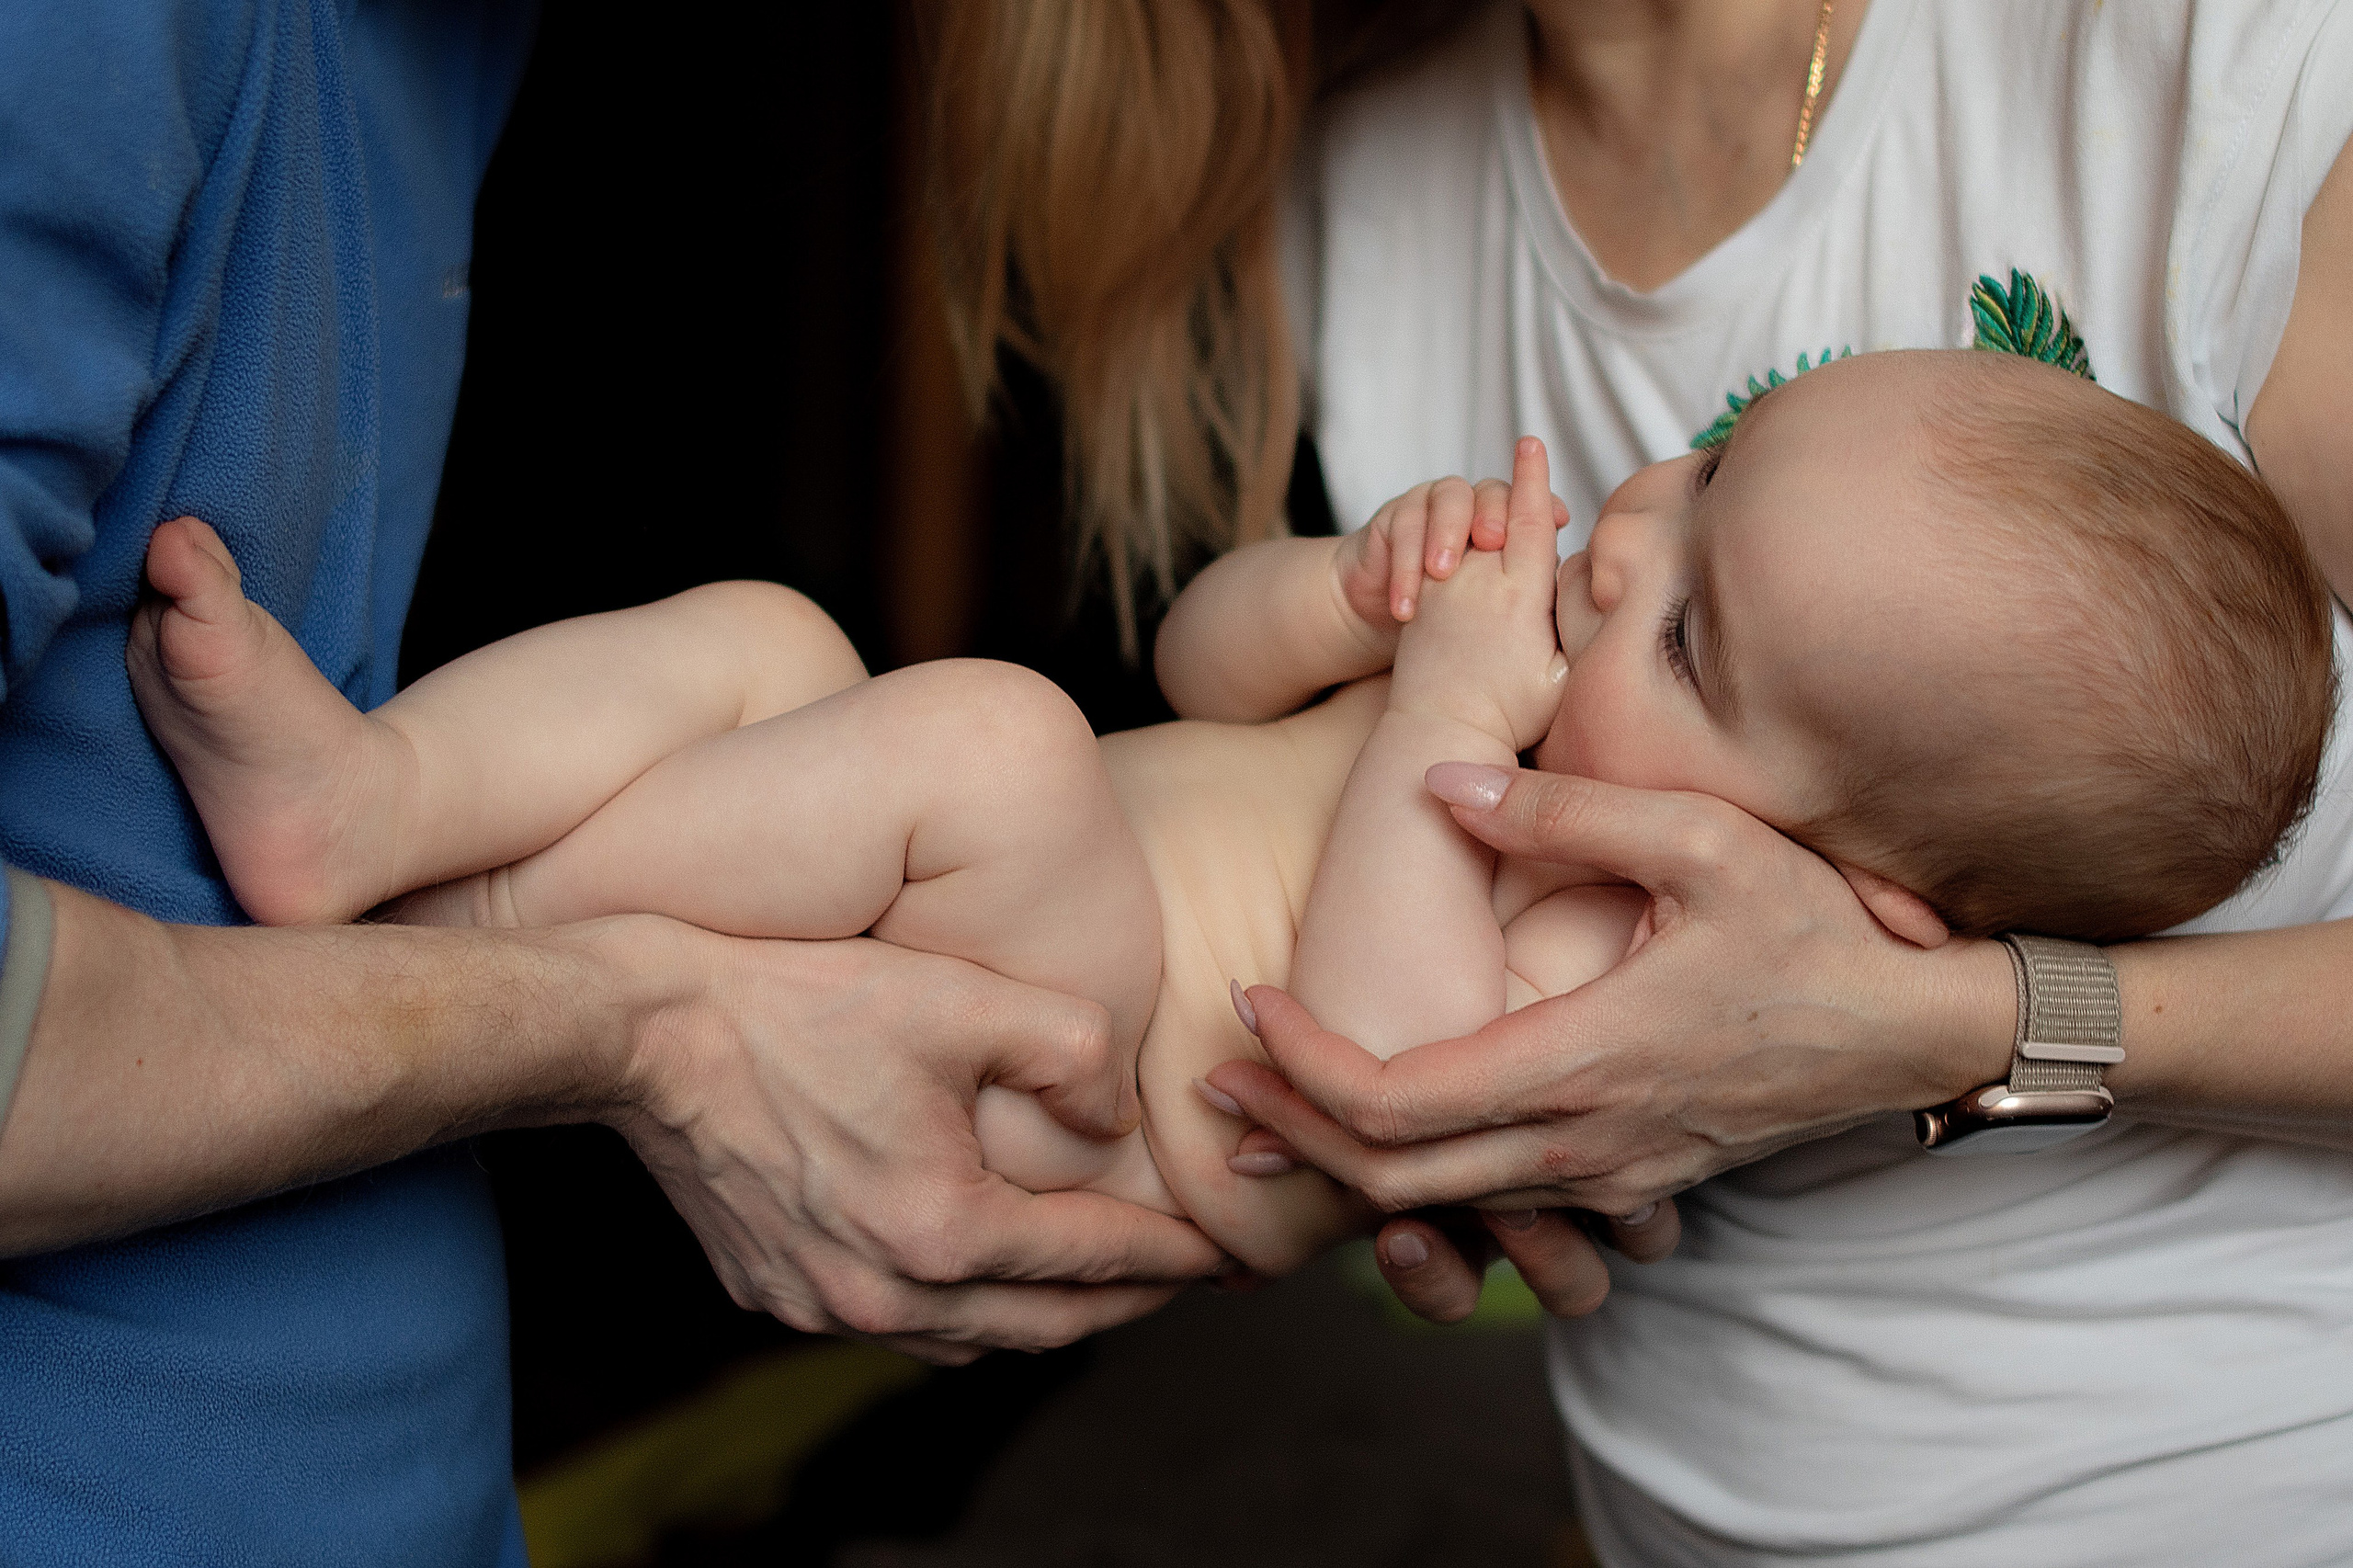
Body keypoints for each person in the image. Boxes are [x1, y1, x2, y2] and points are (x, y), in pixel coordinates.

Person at [938, 0, 2353, 1560]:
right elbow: (1297, 791)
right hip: (1675, 1498)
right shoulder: (1371, 172)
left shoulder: (2213, 70)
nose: (1614, 535)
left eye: (1684, 622)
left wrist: (1945, 1024)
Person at [124, 347, 2333, 1301]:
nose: (1624, 546)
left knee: (977, 735)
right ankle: (377, 802)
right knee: (785, 645)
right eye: (1699, 480)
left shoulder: (1660, 964)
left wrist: (1447, 710)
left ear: (1850, 889)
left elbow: (1366, 1077)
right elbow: (1195, 674)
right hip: (993, 905)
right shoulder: (1540, 685)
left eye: (1690, 636)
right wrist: (1349, 583)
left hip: (1093, 1104)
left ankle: (470, 931)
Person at [0, 4, 1220, 1558]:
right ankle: (396, 816)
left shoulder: (452, 50)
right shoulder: (83, 51)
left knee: (897, 697)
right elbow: (1215, 654)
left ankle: (430, 859)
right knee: (845, 671)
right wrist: (636, 1021)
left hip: (424, 1440)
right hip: (128, 1494)